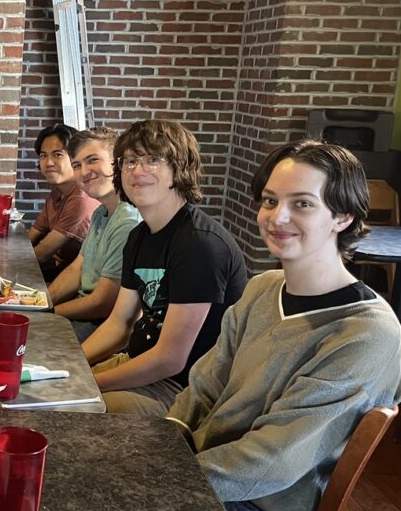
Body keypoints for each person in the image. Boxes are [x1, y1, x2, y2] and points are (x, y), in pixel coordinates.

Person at [164, 140, 401, 511]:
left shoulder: (366, 334)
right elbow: (205, 385)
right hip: (205, 479)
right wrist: (164, 446)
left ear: (342, 216)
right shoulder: (263, 288)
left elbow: (273, 460)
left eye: (302, 204)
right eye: (270, 201)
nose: (277, 217)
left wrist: (164, 480)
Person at [82, 119, 247, 414]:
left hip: (185, 390)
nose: (137, 170)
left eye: (153, 160)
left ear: (179, 169)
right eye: (130, 161)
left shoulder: (199, 244)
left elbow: (171, 359)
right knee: (45, 392)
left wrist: (90, 383)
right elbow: (119, 324)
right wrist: (74, 365)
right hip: (138, 363)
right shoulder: (139, 236)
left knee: (70, 408)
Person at [47, 126, 142, 341]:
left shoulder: (128, 220)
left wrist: (47, 313)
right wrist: (41, 303)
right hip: (84, 316)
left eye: (92, 160)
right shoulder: (101, 212)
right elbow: (77, 269)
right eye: (77, 165)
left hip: (103, 325)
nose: (84, 171)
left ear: (116, 163)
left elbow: (103, 303)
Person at [28, 123, 101, 282]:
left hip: (75, 282)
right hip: (57, 271)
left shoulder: (80, 199)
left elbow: (40, 255)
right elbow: (32, 235)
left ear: (75, 158)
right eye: (43, 155)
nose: (48, 163)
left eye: (57, 154)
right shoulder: (57, 192)